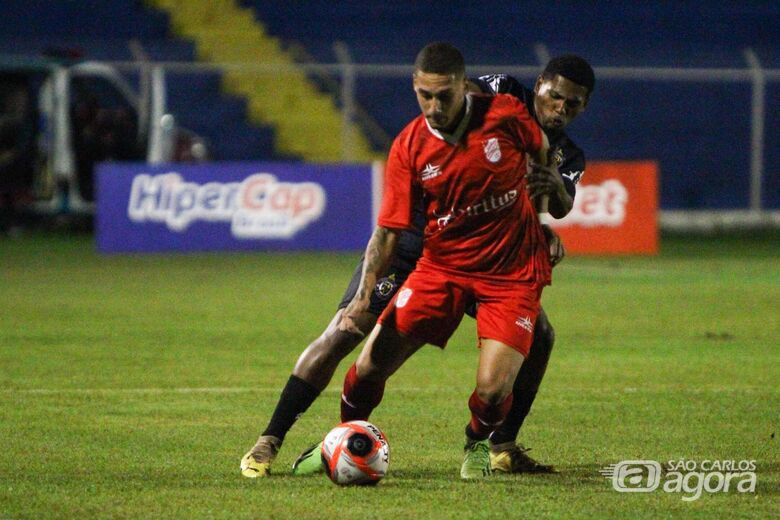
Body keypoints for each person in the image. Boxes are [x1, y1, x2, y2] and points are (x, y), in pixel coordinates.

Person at [240, 52, 594, 478]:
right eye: (555, 97)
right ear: (538, 85)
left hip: (487, 257)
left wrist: (537, 226)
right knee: (346, 330)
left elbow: (553, 196)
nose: (560, 109)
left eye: (572, 105)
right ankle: (270, 439)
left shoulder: (566, 155)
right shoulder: (502, 97)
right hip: (420, 245)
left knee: (539, 337)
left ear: (583, 107)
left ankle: (499, 446)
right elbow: (458, 104)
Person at [335, 40, 553, 479]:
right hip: (442, 267)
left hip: (510, 274)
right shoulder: (409, 146)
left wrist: (540, 215)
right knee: (368, 366)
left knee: (493, 391)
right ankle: (344, 438)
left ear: (463, 87)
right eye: (424, 95)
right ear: (415, 87)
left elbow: (542, 147)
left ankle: (476, 443)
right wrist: (361, 299)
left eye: (444, 95)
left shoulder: (506, 116)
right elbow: (388, 231)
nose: (433, 106)